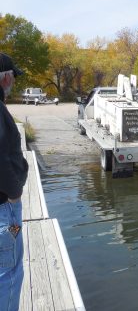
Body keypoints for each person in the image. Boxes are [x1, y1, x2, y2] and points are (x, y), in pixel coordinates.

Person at [0, 52, 29, 311]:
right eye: (13, 77)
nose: (14, 82)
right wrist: (14, 194)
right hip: (5, 216)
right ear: (5, 78)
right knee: (9, 272)